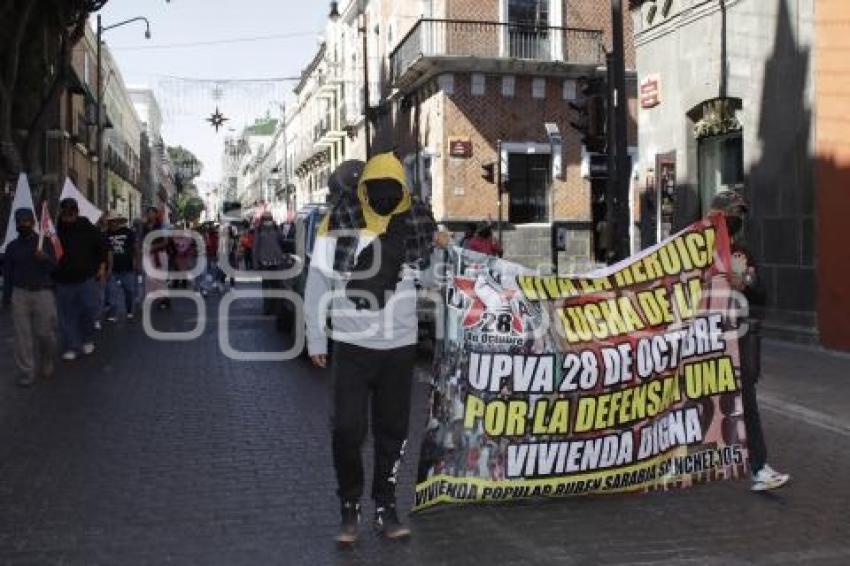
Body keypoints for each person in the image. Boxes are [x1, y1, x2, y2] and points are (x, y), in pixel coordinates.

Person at [305, 153, 449, 544]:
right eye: (376, 188)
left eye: (395, 189)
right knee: (347, 430)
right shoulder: (336, 223)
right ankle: (349, 506)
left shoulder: (418, 223)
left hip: (399, 346)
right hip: (351, 345)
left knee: (393, 430)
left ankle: (385, 506)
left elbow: (431, 279)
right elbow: (318, 282)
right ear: (363, 189)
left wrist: (438, 250)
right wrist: (316, 336)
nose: (386, 196)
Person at [709, 189, 790, 492]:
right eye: (732, 213)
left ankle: (758, 467)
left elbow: (762, 293)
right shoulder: (693, 253)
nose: (737, 219)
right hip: (702, 340)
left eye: (740, 213)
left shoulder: (741, 254)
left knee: (746, 401)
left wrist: (743, 281)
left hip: (737, 339)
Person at [2, 207, 59, 386]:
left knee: (45, 334)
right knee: (22, 337)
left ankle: (47, 359)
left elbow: (56, 268)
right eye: (19, 222)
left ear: (33, 222)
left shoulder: (45, 242)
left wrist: (45, 259)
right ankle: (27, 371)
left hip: (43, 292)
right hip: (20, 294)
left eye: (26, 221)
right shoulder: (11, 247)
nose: (23, 224)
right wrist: (7, 298)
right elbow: (8, 273)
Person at [54, 198, 106, 360]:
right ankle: (72, 345)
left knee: (90, 309)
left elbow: (102, 247)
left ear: (76, 211)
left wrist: (102, 267)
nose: (68, 217)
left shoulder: (88, 227)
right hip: (63, 280)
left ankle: (86, 338)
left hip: (87, 279)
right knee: (67, 315)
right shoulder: (55, 230)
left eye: (71, 213)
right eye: (65, 213)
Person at [253, 212, 289, 315]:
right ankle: (267, 308)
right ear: (263, 220)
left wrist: (278, 228)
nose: (268, 221)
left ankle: (275, 308)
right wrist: (255, 263)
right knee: (266, 286)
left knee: (276, 286)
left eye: (269, 219)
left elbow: (282, 240)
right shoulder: (259, 230)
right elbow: (255, 247)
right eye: (266, 219)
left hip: (276, 262)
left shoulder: (276, 229)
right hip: (264, 263)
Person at [105, 212, 138, 321]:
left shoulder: (128, 232)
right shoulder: (105, 234)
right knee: (111, 292)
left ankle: (129, 310)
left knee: (129, 291)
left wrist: (135, 261)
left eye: (115, 221)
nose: (113, 223)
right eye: (111, 221)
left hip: (127, 267)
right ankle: (113, 314)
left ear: (119, 222)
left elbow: (135, 248)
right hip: (112, 269)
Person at [141, 206, 171, 309]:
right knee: (149, 277)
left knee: (160, 277)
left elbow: (166, 242)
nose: (150, 215)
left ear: (156, 214)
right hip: (149, 255)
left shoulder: (162, 226)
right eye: (149, 213)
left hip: (160, 254)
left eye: (152, 213)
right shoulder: (144, 226)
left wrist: (153, 246)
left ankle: (164, 299)